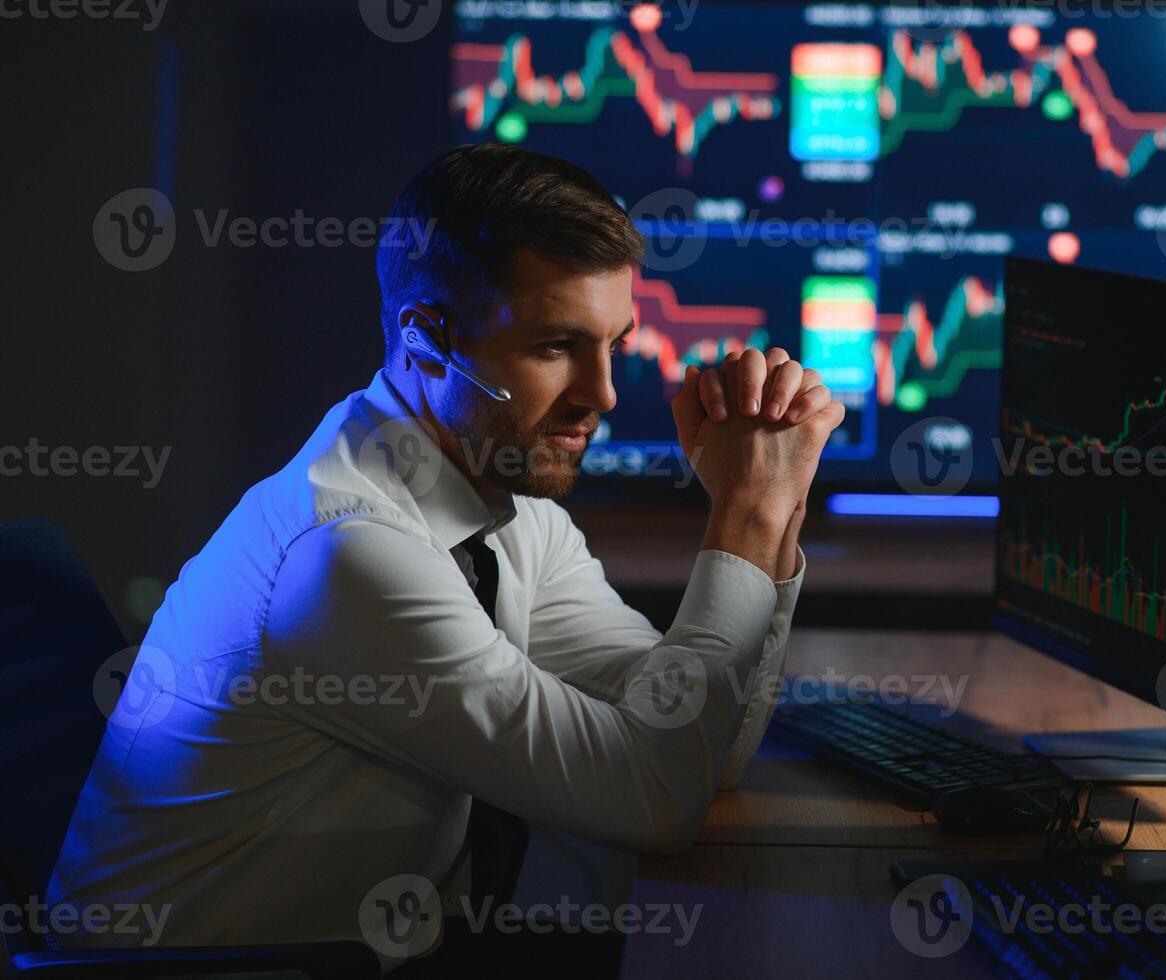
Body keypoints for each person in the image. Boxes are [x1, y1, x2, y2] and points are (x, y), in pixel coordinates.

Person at [46, 143, 844, 974]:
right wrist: (745, 515)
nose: (603, 394)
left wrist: (774, 513)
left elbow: (694, 751)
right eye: (554, 347)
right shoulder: (346, 556)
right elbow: (659, 797)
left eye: (615, 343)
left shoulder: (508, 516)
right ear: (427, 339)